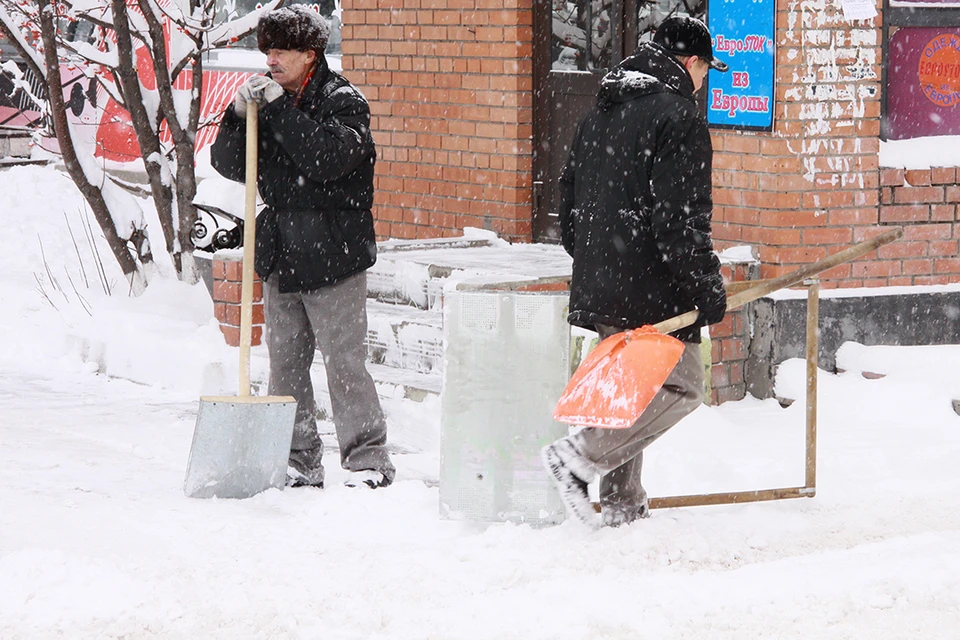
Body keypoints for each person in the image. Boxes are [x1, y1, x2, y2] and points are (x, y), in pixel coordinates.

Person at [541, 16, 729, 528]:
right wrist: (706, 288)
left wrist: (595, 261)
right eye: (707, 70)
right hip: (650, 284)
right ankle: (578, 458)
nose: (704, 81)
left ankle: (624, 508)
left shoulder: (603, 109)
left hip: (607, 277)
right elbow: (680, 221)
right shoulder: (679, 117)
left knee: (631, 392)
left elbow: (569, 198)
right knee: (683, 386)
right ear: (692, 62)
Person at [210, 5, 395, 489]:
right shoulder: (267, 101)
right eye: (266, 50)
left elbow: (326, 159)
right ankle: (298, 457)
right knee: (286, 364)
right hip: (282, 251)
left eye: (280, 51)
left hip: (335, 251)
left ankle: (367, 459)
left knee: (344, 363)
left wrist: (273, 111)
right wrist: (236, 117)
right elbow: (231, 165)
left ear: (309, 54)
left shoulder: (343, 101)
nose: (270, 60)